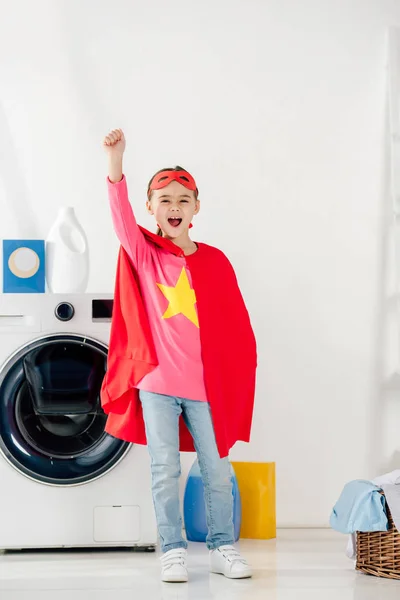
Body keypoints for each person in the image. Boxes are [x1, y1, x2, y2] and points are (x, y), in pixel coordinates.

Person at [101, 128, 257, 583]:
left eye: (182, 200)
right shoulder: (145, 254)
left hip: (207, 387)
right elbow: (119, 218)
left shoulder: (215, 261)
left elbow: (235, 329)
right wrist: (116, 162)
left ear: (196, 208)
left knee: (217, 468)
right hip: (158, 385)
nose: (174, 207)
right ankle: (171, 549)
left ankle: (222, 546)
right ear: (150, 208)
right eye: (164, 199)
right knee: (164, 469)